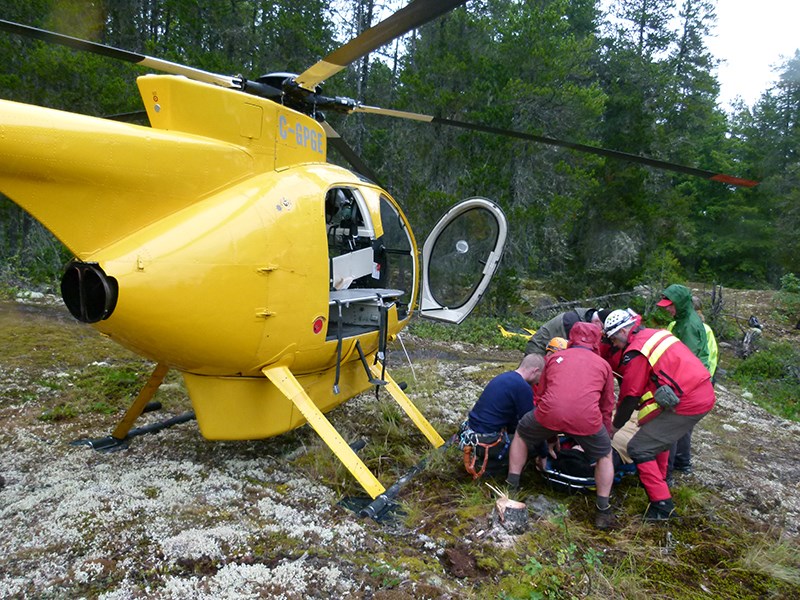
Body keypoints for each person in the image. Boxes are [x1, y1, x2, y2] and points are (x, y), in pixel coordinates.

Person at [603, 309, 715, 521]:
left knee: (638, 447)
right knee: (656, 434)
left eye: (614, 339)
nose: (614, 345)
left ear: (625, 331)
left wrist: (615, 428)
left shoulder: (636, 352)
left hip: (688, 401)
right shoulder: (655, 335)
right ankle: (660, 478)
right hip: (699, 390)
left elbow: (629, 396)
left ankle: (662, 506)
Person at [507, 322, 617, 529]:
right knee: (605, 455)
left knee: (522, 433)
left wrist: (549, 433)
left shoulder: (553, 359)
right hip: (587, 420)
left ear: (571, 338)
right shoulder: (604, 365)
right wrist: (603, 438)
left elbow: (541, 395)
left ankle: (512, 486)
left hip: (549, 413)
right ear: (597, 342)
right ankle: (603, 510)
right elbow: (606, 406)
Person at [458, 353, 545, 479]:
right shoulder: (523, 387)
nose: (539, 382)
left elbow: (513, 420)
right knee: (530, 444)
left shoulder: (504, 377)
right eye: (540, 377)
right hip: (485, 440)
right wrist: (543, 452)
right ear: (535, 371)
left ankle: (484, 460)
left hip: (470, 434)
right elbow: (530, 427)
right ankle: (496, 470)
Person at [658, 286, 712, 475]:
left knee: (672, 423)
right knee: (683, 425)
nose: (667, 309)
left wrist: (672, 386)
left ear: (679, 303)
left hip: (689, 381)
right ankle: (682, 462)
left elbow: (686, 359)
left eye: (669, 306)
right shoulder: (682, 319)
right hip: (694, 380)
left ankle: (668, 472)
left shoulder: (688, 325)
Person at [525, 308, 609, 356]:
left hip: (549, 349)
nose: (601, 333)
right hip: (538, 349)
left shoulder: (586, 318)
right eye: (602, 329)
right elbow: (573, 352)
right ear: (597, 321)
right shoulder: (573, 322)